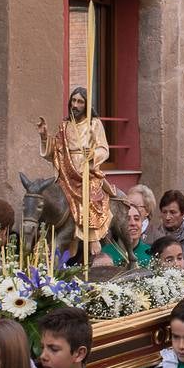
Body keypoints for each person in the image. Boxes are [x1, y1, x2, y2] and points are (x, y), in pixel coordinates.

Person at [37, 86, 113, 254]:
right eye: (74, 101)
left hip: (86, 170)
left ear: (86, 105)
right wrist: (44, 137)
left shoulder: (94, 124)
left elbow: (104, 149)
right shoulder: (64, 126)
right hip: (66, 171)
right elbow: (54, 151)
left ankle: (92, 237)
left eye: (80, 102)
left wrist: (92, 154)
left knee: (89, 193)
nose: (76, 105)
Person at [98, 201, 151, 267]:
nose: (133, 223)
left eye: (137, 219)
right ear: (117, 224)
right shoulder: (105, 254)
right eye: (127, 219)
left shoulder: (150, 252)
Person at [155, 189, 184, 256]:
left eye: (173, 212)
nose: (167, 217)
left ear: (183, 213)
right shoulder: (154, 235)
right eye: (164, 212)